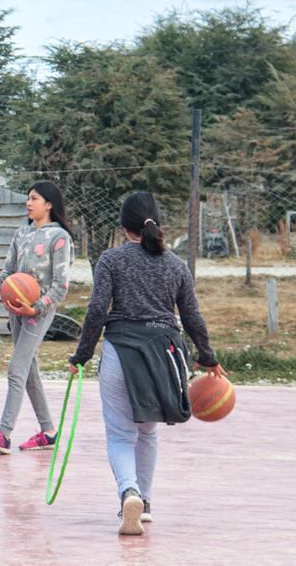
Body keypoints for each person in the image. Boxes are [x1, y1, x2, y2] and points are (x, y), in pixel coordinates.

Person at [69, 192, 222, 536]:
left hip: (121, 352)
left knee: (121, 434)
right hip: (164, 355)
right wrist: (208, 357)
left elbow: (96, 311)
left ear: (124, 227)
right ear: (157, 223)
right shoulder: (176, 265)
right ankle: (146, 503)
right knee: (148, 432)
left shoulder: (111, 259)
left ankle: (129, 492)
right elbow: (193, 316)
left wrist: (80, 355)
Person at [0, 181, 73, 455]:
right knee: (29, 371)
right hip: (15, 309)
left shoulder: (59, 238)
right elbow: (8, 274)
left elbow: (60, 286)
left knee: (17, 369)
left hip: (37, 312)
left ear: (49, 204)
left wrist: (37, 308)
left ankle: (3, 435)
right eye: (28, 198)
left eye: (34, 198)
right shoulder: (21, 234)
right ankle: (49, 431)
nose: (28, 203)